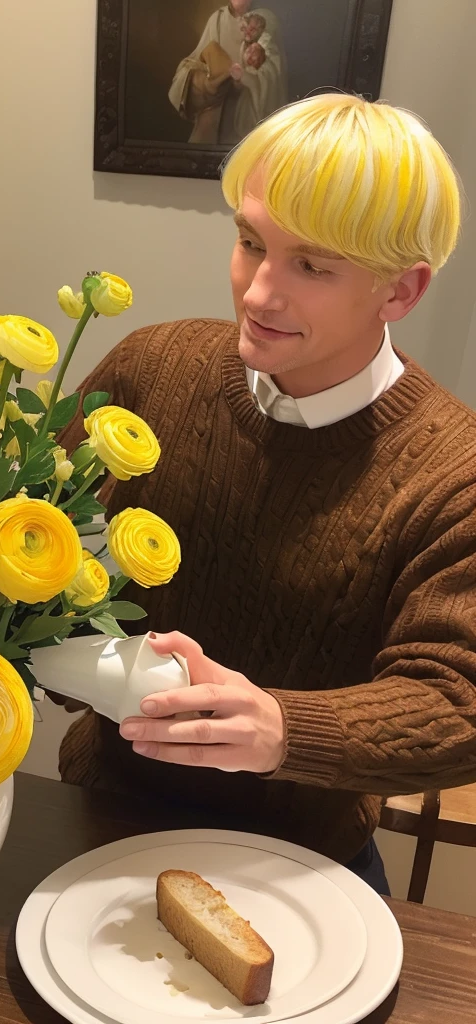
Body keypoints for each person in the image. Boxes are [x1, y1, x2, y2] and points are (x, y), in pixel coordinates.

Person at [56, 94, 476, 896]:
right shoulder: (151, 370)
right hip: (97, 817)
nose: (257, 292)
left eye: (312, 266)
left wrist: (287, 730)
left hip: (305, 870)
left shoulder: (455, 474)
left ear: (401, 291)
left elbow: (459, 702)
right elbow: (28, 543)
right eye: (251, 242)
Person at [168, 1, 287, 144]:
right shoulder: (217, 19)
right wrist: (205, 83)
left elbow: (274, 72)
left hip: (246, 123)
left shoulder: (267, 19)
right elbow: (194, 62)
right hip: (213, 122)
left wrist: (246, 78)